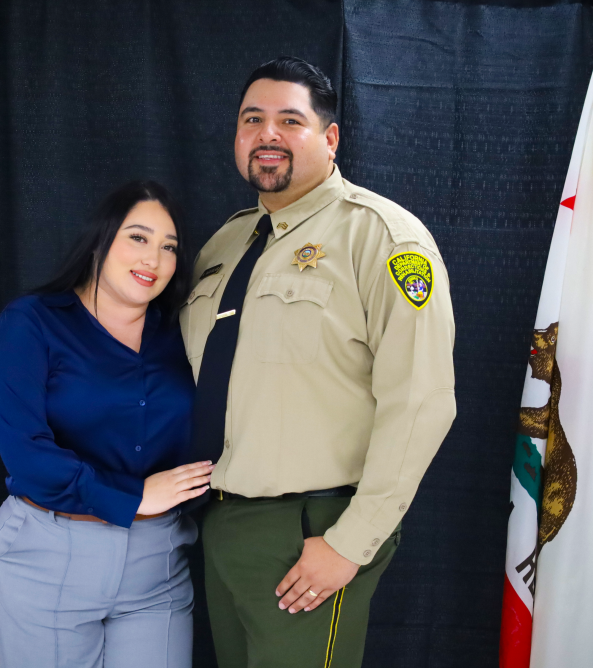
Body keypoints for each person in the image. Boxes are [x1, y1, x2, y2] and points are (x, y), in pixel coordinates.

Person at [181, 57, 456, 667]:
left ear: (330, 139)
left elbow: (424, 399)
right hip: (222, 523)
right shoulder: (226, 243)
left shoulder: (383, 238)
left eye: (290, 120)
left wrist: (351, 542)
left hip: (312, 529)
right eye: (252, 120)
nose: (267, 135)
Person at [0, 181, 214, 668]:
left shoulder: (182, 335)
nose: (154, 259)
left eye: (169, 247)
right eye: (138, 238)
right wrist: (134, 496)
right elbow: (27, 453)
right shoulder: (31, 324)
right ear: (99, 241)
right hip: (51, 553)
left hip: (158, 560)